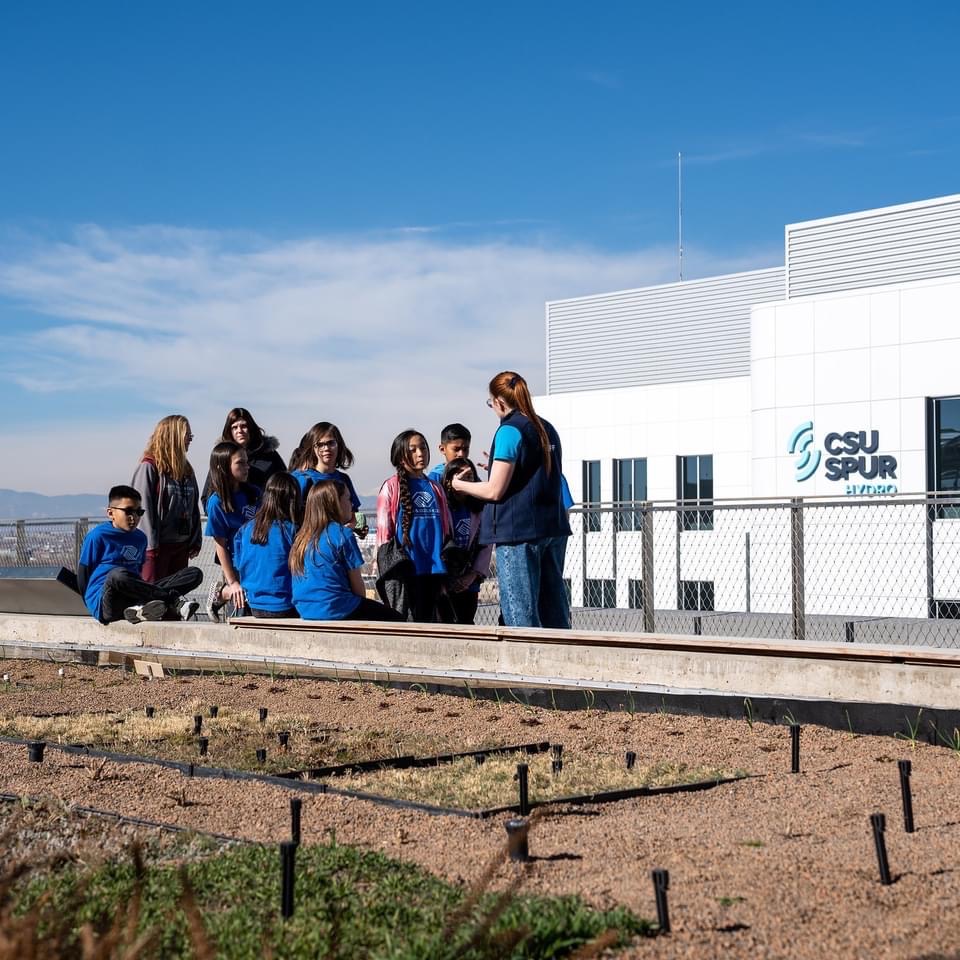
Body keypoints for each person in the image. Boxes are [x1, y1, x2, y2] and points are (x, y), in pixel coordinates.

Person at [452, 371, 571, 629]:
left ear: (499, 402)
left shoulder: (509, 430)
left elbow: (495, 491)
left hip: (519, 532)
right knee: (553, 608)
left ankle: (525, 667)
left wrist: (459, 484)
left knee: (520, 612)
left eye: (490, 403)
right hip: (552, 527)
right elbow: (536, 475)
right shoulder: (546, 428)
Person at [77, 485, 203, 624]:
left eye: (139, 512)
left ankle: (139, 610)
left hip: (133, 597)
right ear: (111, 513)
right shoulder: (98, 536)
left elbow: (137, 575)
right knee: (117, 575)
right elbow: (83, 574)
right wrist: (90, 606)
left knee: (194, 574)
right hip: (107, 602)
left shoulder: (140, 538)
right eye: (128, 511)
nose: (134, 517)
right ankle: (172, 600)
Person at [291, 480, 402, 621]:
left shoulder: (302, 537)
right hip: (336, 608)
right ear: (335, 503)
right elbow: (358, 589)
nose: (352, 505)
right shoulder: (343, 534)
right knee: (396, 618)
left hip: (306, 609)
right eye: (348, 499)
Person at [375, 430, 453, 622]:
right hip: (406, 571)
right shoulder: (391, 487)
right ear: (401, 456)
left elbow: (446, 528)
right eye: (413, 450)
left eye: (423, 448)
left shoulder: (435, 487)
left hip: (434, 570)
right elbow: (384, 535)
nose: (420, 453)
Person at [131, 414, 202, 583]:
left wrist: (195, 539)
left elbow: (193, 507)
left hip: (181, 546)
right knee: (153, 596)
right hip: (155, 549)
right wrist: (149, 546)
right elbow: (141, 508)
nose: (190, 440)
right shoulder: (149, 467)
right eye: (187, 436)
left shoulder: (186, 470)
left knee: (173, 596)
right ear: (174, 436)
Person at [204, 441, 262, 622]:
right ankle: (223, 593)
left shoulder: (254, 493)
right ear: (223, 467)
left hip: (256, 562)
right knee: (240, 612)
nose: (247, 467)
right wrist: (232, 582)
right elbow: (220, 544)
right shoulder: (216, 502)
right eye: (240, 463)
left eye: (247, 462)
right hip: (236, 565)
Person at [234, 472, 302, 618]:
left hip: (253, 605)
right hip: (285, 605)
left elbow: (239, 563)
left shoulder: (245, 530)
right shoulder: (292, 530)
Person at [288, 422, 367, 536]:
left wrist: (353, 527)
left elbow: (354, 514)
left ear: (339, 444)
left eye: (331, 443)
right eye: (320, 445)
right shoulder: (301, 479)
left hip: (339, 544)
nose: (326, 448)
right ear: (312, 448)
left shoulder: (344, 479)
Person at [441, 458, 492, 625]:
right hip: (445, 578)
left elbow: (486, 544)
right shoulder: (442, 507)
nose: (465, 480)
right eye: (460, 475)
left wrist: (472, 575)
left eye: (469, 476)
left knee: (466, 622)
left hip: (469, 579)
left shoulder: (480, 508)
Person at [200, 407, 286, 506]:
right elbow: (207, 496)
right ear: (229, 431)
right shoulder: (222, 458)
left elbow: (285, 485)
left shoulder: (269, 455)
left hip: (264, 515)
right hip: (231, 516)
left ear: (251, 428)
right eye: (234, 427)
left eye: (244, 426)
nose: (239, 430)